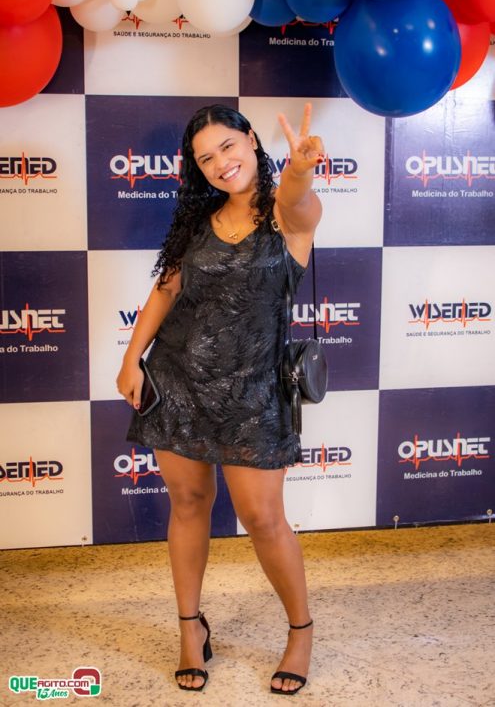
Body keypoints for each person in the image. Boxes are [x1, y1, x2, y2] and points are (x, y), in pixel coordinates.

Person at [116, 102, 323, 696]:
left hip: (254, 392)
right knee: (187, 504)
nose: (220, 163)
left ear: (251, 139)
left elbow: (298, 201)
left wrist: (300, 169)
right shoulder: (198, 221)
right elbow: (166, 291)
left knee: (263, 518)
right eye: (205, 158)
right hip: (178, 382)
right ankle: (190, 628)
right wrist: (131, 359)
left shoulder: (289, 215)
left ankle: (301, 630)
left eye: (227, 147)